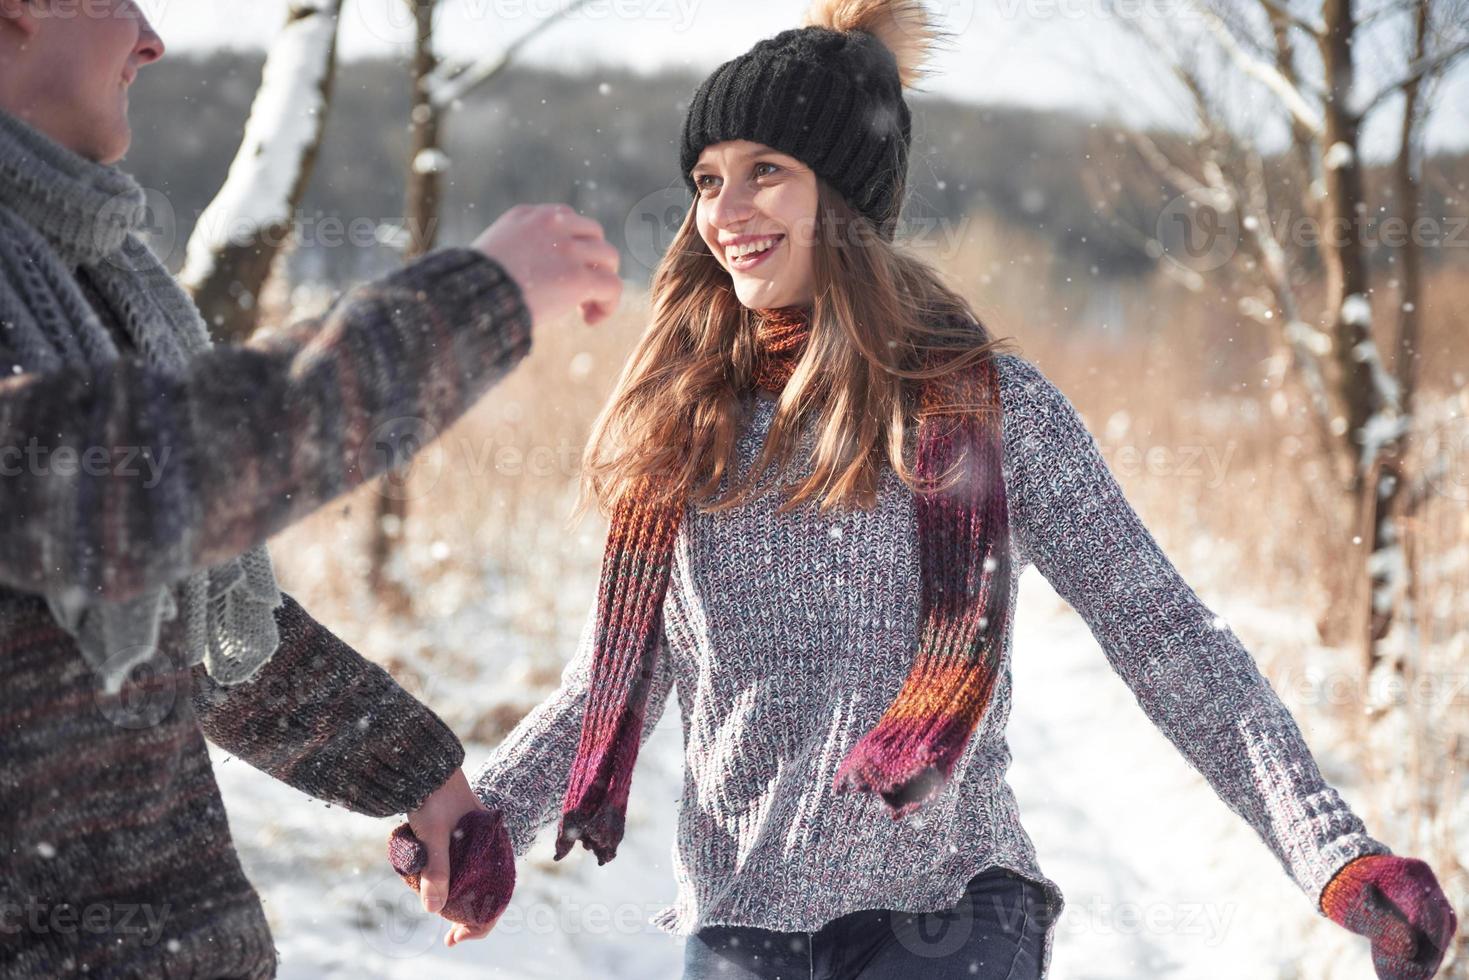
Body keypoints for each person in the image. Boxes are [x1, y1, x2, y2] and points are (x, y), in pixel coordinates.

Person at [389, 0, 1458, 978]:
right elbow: (616, 673)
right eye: (707, 178)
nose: (726, 209)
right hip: (739, 922)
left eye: (767, 169)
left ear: (844, 196)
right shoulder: (688, 424)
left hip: (948, 916)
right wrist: (491, 817)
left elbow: (1163, 631)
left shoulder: (986, 411)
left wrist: (1333, 851)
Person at [0, 1, 623, 977]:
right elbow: (117, 481)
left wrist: (414, 769)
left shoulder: (81, 277)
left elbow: (192, 613)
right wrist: (467, 308)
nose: (151, 38)